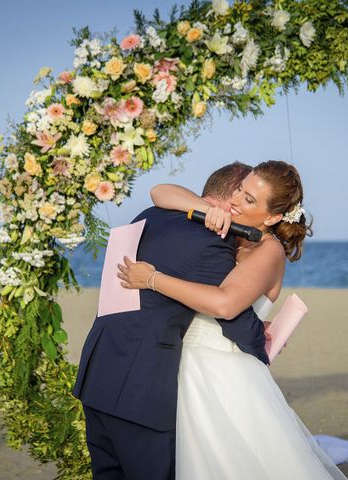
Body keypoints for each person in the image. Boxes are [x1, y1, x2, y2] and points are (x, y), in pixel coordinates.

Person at [117, 160, 348, 479]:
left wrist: (152, 279)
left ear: (273, 217)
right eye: (240, 190)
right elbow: (159, 192)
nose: (237, 201)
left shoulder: (269, 251)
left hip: (222, 377)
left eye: (250, 200)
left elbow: (225, 305)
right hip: (183, 367)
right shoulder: (230, 232)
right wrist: (204, 207)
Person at [73, 162, 268, 479]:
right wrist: (264, 344)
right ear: (232, 195)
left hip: (98, 374)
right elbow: (234, 319)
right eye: (244, 197)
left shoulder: (151, 215)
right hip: (139, 392)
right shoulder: (211, 242)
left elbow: (160, 191)